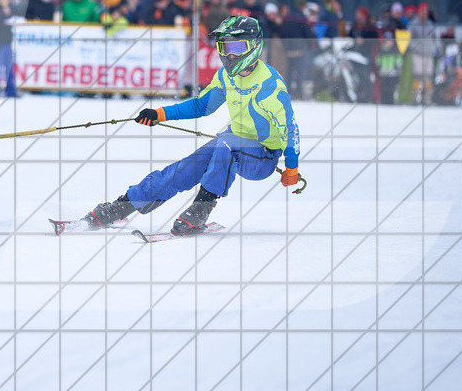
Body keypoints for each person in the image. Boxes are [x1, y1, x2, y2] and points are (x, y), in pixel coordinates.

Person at [79, 16, 300, 235]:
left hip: (262, 157)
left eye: (236, 47)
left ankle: (201, 208)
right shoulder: (226, 77)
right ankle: (123, 205)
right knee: (183, 169)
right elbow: (202, 106)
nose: (229, 54)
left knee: (226, 143)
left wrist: (292, 167)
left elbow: (290, 130)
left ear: (254, 46)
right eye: (224, 47)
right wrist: (160, 114)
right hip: (229, 145)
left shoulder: (270, 86)